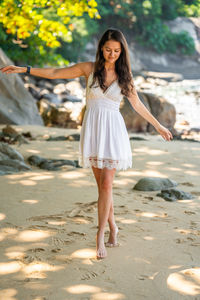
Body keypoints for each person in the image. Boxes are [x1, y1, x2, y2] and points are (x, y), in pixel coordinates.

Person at [0, 27, 173, 260]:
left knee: (106, 185)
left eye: (117, 51)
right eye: (108, 49)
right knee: (102, 186)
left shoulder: (124, 77)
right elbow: (54, 72)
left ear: (122, 52)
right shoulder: (88, 69)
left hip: (112, 133)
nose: (112, 54)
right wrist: (25, 69)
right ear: (101, 47)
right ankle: (114, 227)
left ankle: (100, 234)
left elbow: (138, 105)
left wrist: (158, 125)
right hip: (92, 131)